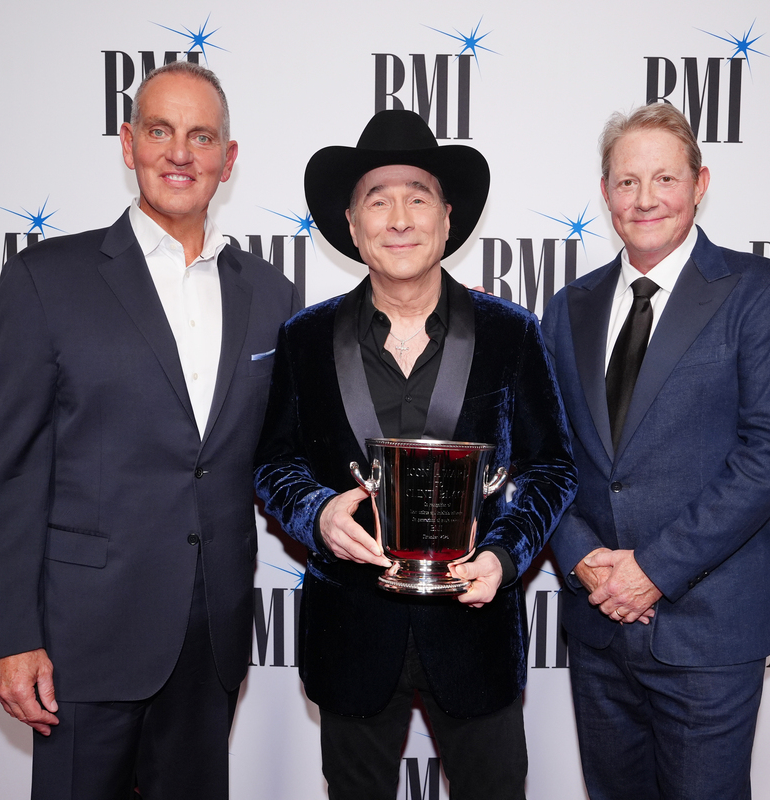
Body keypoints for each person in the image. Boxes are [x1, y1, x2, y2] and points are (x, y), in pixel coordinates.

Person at [0, 61, 300, 799]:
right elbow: (9, 473)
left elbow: (285, 451)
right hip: (82, 640)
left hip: (209, 640)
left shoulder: (270, 294)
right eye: (160, 131)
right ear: (128, 144)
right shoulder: (46, 279)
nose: (179, 153)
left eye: (201, 136)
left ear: (228, 159)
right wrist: (13, 637)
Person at [254, 109, 576, 800]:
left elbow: (552, 467)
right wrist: (317, 514)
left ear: (447, 218)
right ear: (351, 224)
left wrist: (504, 555)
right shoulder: (304, 338)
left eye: (418, 197)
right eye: (378, 200)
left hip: (475, 632)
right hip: (351, 634)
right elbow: (275, 462)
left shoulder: (512, 333)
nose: (399, 219)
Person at [542, 102, 770, 800]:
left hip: (706, 631)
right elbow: (547, 455)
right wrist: (582, 558)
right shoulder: (568, 307)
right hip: (598, 624)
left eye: (664, 178)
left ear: (700, 183)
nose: (645, 199)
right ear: (604, 192)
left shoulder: (762, 294)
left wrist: (653, 571)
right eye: (627, 181)